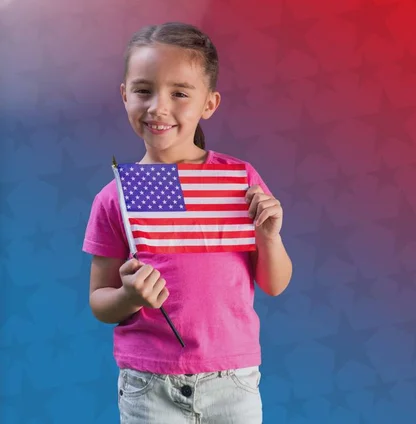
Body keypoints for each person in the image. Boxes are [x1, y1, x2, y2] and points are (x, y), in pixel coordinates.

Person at [82, 21, 293, 423]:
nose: (158, 107)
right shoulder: (116, 197)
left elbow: (275, 283)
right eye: (143, 90)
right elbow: (99, 302)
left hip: (232, 380)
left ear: (209, 104)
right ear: (125, 95)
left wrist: (269, 237)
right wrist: (129, 297)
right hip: (148, 382)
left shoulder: (239, 181)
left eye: (179, 93)